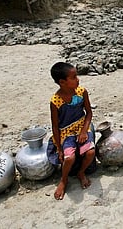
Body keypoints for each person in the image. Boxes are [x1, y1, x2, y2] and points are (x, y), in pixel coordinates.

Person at [47, 62, 95, 200]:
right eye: (73, 77)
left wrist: (84, 131)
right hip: (65, 132)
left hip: (81, 126)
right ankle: (64, 180)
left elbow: (89, 113)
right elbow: (55, 127)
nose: (78, 79)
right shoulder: (55, 101)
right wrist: (59, 148)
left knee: (90, 151)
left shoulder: (82, 92)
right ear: (62, 82)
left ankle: (81, 172)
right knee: (69, 158)